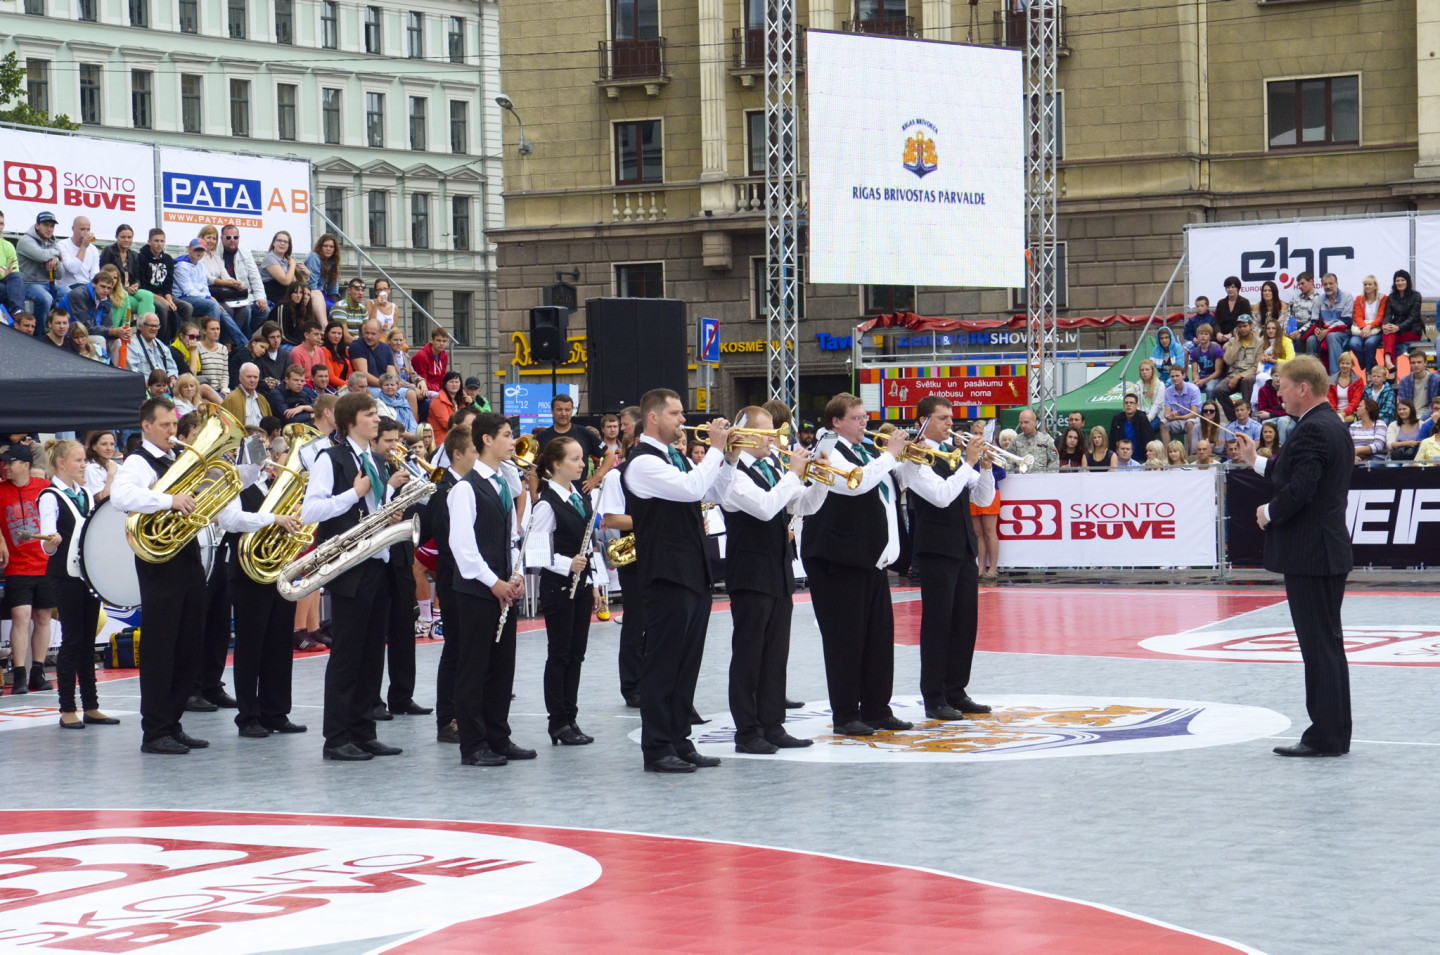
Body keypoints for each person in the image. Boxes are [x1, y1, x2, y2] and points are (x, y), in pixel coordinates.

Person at [111, 398, 286, 753]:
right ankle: (155, 729)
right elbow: (121, 495)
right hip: (159, 561)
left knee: (187, 643)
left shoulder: (177, 459)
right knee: (162, 646)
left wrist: (251, 471)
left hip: (188, 554)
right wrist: (169, 500)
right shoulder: (137, 461)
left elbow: (217, 494)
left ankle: (172, 723)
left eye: (173, 426)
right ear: (146, 426)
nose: (172, 432)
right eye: (164, 426)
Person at [1232, 354, 1353, 757]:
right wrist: (1257, 462)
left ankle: (1327, 736)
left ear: (1303, 388)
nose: (1277, 393)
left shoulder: (1313, 430)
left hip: (1312, 554)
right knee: (1325, 646)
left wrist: (1269, 512)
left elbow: (1302, 490)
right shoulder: (1325, 425)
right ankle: (1332, 732)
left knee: (1319, 648)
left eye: (1282, 386)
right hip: (1323, 552)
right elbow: (1296, 473)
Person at [622, 389, 735, 773]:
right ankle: (656, 747)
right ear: (653, 418)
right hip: (665, 572)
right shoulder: (641, 463)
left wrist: (729, 459)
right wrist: (717, 449)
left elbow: (710, 492)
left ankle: (679, 739)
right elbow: (691, 488)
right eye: (675, 413)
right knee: (663, 664)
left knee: (687, 664)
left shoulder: (677, 457)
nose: (682, 419)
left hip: (692, 571)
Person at [299, 390, 411, 761]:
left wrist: (391, 507)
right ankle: (337, 737)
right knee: (347, 654)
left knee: (370, 653)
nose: (377, 419)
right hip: (349, 567)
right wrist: (353, 493)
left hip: (378, 563)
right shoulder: (329, 459)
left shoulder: (376, 461)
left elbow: (373, 510)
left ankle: (364, 730)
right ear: (350, 422)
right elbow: (312, 511)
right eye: (369, 414)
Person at [800, 393, 914, 741]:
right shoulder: (828, 449)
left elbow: (890, 491)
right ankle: (846, 714)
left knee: (878, 640)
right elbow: (856, 483)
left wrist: (905, 460)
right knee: (845, 641)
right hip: (839, 559)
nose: (865, 424)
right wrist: (890, 454)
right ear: (836, 421)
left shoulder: (865, 452)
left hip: (871, 559)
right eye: (857, 418)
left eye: (866, 418)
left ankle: (877, 708)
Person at [714, 406, 816, 753]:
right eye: (768, 432)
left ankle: (773, 724)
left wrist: (817, 479)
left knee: (776, 653)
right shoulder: (731, 474)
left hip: (778, 569)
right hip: (750, 572)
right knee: (749, 654)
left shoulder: (772, 467)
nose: (775, 439)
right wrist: (793, 474)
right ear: (747, 435)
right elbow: (765, 506)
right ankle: (747, 732)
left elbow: (800, 505)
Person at [445, 412, 535, 767]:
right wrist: (493, 582)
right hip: (476, 592)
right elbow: (464, 549)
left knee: (502, 668)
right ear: (486, 440)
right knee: (474, 669)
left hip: (502, 590)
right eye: (506, 435)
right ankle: (474, 744)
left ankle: (499, 736)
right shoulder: (465, 488)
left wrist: (516, 574)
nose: (512, 442)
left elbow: (510, 538)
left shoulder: (500, 483)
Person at [899, 397, 994, 722]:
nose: (951, 424)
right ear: (923, 422)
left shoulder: (954, 457)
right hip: (936, 549)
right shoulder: (916, 458)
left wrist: (984, 467)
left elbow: (982, 497)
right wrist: (968, 462)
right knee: (938, 624)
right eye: (943, 418)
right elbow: (940, 497)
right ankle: (934, 696)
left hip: (963, 547)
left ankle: (956, 690)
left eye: (951, 418)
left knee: (964, 623)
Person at [224, 436, 307, 739]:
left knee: (278, 644)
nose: (265, 457)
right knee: (250, 647)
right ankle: (248, 716)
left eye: (266, 450)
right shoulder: (235, 485)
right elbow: (230, 520)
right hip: (248, 574)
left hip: (277, 570)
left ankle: (276, 711)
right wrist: (274, 518)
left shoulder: (274, 486)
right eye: (257, 451)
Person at [524, 435, 603, 746]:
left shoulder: (580, 498)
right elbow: (537, 552)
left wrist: (595, 582)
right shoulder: (546, 504)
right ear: (556, 464)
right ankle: (557, 722)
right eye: (575, 459)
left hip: (581, 586)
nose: (582, 464)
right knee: (559, 655)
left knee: (576, 655)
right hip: (559, 587)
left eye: (582, 458)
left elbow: (590, 546)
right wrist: (568, 564)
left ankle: (571, 717)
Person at [38, 439, 119, 728]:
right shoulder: (50, 496)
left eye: (84, 460)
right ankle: (67, 708)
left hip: (87, 574)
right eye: (78, 461)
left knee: (87, 641)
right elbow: (46, 543)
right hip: (64, 576)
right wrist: (51, 542)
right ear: (61, 464)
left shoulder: (84, 492)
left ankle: (92, 705)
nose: (84, 465)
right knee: (72, 639)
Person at [371, 418, 431, 721]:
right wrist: (390, 488)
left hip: (401, 551)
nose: (394, 447)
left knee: (403, 627)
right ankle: (372, 700)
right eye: (387, 441)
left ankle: (402, 695)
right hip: (376, 555)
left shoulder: (402, 467)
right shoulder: (370, 469)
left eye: (396, 441)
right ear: (373, 441)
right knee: (375, 631)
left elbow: (421, 504)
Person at [599, 405, 645, 707]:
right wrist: (654, 520)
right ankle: (632, 685)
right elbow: (611, 519)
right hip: (635, 554)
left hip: (661, 551)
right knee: (636, 621)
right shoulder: (618, 476)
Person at [1, 444, 55, 695]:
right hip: (17, 565)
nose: (6, 467)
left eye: (11, 463)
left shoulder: (44, 488)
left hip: (44, 563)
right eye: (4, 463)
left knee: (43, 617)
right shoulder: (0, 491)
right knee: (21, 616)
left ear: (25, 465)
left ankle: (38, 670)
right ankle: (19, 673)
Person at [537, 393, 606, 491]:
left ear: (572, 411)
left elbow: (609, 455)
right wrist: (534, 498)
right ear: (552, 411)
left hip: (581, 496)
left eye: (567, 410)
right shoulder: (542, 436)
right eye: (559, 409)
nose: (563, 413)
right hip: (551, 496)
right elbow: (534, 469)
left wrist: (595, 478)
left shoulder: (584, 433)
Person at [136, 228, 192, 339]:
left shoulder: (167, 259)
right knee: (163, 308)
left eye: (162, 241)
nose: (159, 244)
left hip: (165, 295)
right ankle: (163, 341)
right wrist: (164, 301)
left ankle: (182, 339)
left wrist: (170, 300)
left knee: (187, 307)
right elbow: (144, 286)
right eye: (156, 241)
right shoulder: (141, 257)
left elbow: (168, 285)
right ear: (149, 242)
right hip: (149, 294)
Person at [173, 239, 234, 338]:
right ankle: (212, 342)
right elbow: (188, 291)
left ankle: (239, 342)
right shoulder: (181, 265)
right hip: (182, 298)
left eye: (202, 250)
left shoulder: (201, 265)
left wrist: (209, 296)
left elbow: (204, 287)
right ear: (190, 250)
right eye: (197, 250)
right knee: (214, 305)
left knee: (223, 310)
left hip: (197, 298)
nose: (199, 253)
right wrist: (208, 298)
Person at [16, 210, 63, 318]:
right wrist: (57, 254)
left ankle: (61, 331)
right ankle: (40, 334)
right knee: (46, 298)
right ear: (37, 226)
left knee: (69, 294)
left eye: (52, 226)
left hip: (49, 284)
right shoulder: (25, 240)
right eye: (46, 225)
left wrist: (56, 261)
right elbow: (42, 255)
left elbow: (60, 275)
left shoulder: (52, 242)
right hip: (28, 283)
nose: (49, 229)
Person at [1217, 315, 1261, 421]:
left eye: (1245, 326)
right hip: (1232, 375)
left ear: (1251, 326)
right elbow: (1227, 360)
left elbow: (1256, 367)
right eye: (1239, 327)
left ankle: (1247, 417)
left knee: (1247, 381)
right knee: (1219, 390)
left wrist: (1239, 376)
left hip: (1249, 375)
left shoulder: (1260, 342)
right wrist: (1236, 342)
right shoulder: (1233, 341)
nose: (1242, 329)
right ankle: (1234, 419)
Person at [1381, 270, 1423, 379]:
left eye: (1402, 280)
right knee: (1387, 332)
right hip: (1397, 330)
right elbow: (1387, 315)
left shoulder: (1416, 295)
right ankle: (1389, 363)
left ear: (1407, 281)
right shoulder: (1391, 297)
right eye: (1397, 280)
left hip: (1412, 330)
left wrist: (1398, 327)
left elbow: (1414, 317)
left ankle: (1390, 370)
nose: (1400, 283)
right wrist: (1385, 325)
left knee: (1390, 335)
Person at [126, 312, 179, 386]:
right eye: (151, 325)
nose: (154, 329)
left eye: (156, 326)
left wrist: (172, 378)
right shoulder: (132, 345)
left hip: (165, 387)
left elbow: (171, 367)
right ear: (141, 326)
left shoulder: (160, 344)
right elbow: (133, 373)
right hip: (145, 388)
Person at [260, 231, 303, 317]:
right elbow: (285, 281)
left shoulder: (287, 261)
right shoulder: (270, 258)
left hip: (284, 295)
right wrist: (293, 265)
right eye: (279, 240)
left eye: (285, 242)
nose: (282, 243)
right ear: (274, 243)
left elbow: (293, 282)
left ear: (288, 246)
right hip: (272, 296)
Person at [1348, 275, 1386, 371]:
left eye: (1370, 284)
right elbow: (1357, 316)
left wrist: (1369, 327)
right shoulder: (1359, 299)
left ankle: (1369, 371)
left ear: (1375, 286)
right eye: (1365, 284)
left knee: (1370, 343)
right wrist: (1364, 327)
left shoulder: (1383, 298)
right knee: (1353, 343)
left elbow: (1381, 317)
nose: (1367, 286)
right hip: (1360, 329)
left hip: (1376, 330)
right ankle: (1367, 364)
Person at [1162, 363, 1202, 451]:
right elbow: (1166, 414)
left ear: (1183, 375)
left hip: (1193, 419)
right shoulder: (1168, 391)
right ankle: (1166, 455)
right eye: (1172, 376)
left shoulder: (1193, 389)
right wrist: (1170, 415)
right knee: (1163, 424)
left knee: (1189, 424)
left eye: (1177, 376)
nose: (1175, 378)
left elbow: (1194, 413)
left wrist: (1178, 417)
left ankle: (1192, 454)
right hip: (1176, 420)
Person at [305, 234, 342, 323]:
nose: (328, 249)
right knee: (334, 310)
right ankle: (324, 329)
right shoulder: (314, 257)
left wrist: (335, 302)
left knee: (341, 311)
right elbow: (312, 284)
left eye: (331, 247)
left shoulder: (333, 262)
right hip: (312, 293)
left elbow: (333, 288)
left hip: (323, 294)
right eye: (325, 246)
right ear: (320, 247)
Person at [222, 363, 273, 427]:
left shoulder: (262, 400)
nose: (252, 380)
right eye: (249, 377)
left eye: (255, 377)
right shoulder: (231, 399)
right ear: (240, 377)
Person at [1108, 393, 1156, 461]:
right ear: (1123, 405)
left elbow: (1149, 439)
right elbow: (1112, 440)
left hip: (1141, 459)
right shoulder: (1117, 419)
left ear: (1137, 405)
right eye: (1126, 402)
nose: (1129, 405)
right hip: (1121, 459)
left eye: (1131, 403)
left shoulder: (1142, 418)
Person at [193, 316, 231, 397]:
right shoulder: (197, 347)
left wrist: (224, 388)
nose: (216, 332)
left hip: (220, 390)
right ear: (204, 331)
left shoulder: (223, 349)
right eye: (212, 329)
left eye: (218, 329)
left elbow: (225, 373)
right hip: (203, 390)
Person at [1188, 323, 1225, 400]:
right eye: (1201, 334)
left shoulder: (1216, 349)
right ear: (1197, 336)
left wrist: (1205, 381)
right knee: (1189, 387)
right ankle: (1194, 408)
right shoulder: (1194, 352)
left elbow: (1218, 372)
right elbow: (1195, 371)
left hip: (1215, 377)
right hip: (1202, 376)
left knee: (1209, 388)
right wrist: (1196, 380)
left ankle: (1210, 408)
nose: (1203, 336)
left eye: (1206, 334)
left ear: (1210, 337)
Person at [0, 210, 25, 318]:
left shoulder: (8, 245)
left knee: (17, 277)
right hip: (4, 280)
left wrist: (3, 273)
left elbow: (14, 270)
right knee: (9, 291)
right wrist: (3, 273)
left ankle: (18, 313)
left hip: (6, 279)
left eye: (1, 223)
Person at [1212, 276, 1251, 344]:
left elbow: (1245, 322)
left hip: (1238, 335)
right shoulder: (1221, 303)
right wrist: (1218, 333)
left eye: (1233, 287)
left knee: (1226, 347)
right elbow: (1216, 322)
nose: (1230, 289)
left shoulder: (1244, 302)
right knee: (1213, 347)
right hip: (1220, 336)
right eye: (1227, 287)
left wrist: (1230, 334)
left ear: (1238, 288)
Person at [428, 370, 465, 443]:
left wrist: (471, 403)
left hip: (457, 438)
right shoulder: (438, 401)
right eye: (451, 382)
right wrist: (466, 426)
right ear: (445, 384)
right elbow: (447, 424)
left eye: (457, 382)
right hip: (442, 441)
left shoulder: (462, 401)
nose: (454, 384)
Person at [1328, 351, 1364, 422]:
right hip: (1334, 412)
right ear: (1339, 364)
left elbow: (1355, 401)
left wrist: (1344, 413)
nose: (1344, 365)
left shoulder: (1358, 381)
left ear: (1352, 365)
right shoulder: (1331, 381)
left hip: (1351, 413)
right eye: (1342, 363)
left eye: (1347, 363)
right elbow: (1331, 400)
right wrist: (1335, 413)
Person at [412, 326, 450, 393]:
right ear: (431, 340)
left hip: (438, 390)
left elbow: (442, 378)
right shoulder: (421, 356)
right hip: (424, 390)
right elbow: (422, 380)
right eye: (438, 340)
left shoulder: (444, 356)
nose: (441, 343)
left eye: (444, 341)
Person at [320, 319, 353, 386]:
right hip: (332, 387)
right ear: (327, 334)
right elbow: (331, 377)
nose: (336, 336)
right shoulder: (323, 350)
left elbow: (351, 373)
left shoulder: (344, 351)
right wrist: (350, 386)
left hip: (346, 386)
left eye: (339, 333)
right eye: (333, 333)